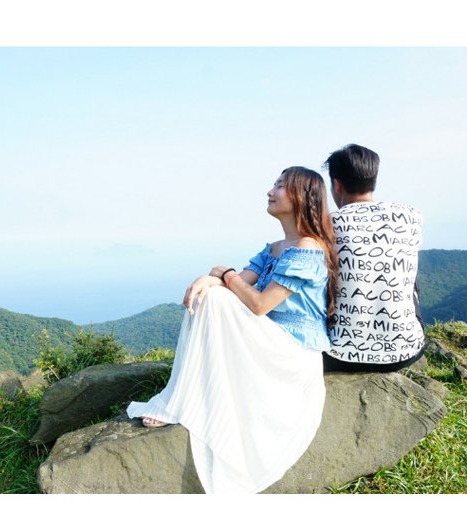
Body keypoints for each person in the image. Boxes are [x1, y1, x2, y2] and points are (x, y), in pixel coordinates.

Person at [126, 166, 338, 495]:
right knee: (211, 296)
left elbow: (259, 304)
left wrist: (224, 274)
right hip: (268, 342)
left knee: (217, 301)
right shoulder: (276, 247)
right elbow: (242, 282)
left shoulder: (308, 249)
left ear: (301, 197)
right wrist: (210, 279)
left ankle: (178, 401)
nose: (271, 191)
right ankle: (180, 397)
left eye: (280, 186)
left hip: (293, 354)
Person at [323, 143, 426, 372]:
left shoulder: (327, 224)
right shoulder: (409, 217)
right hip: (405, 351)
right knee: (400, 265)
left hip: (339, 354)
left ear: (336, 185)